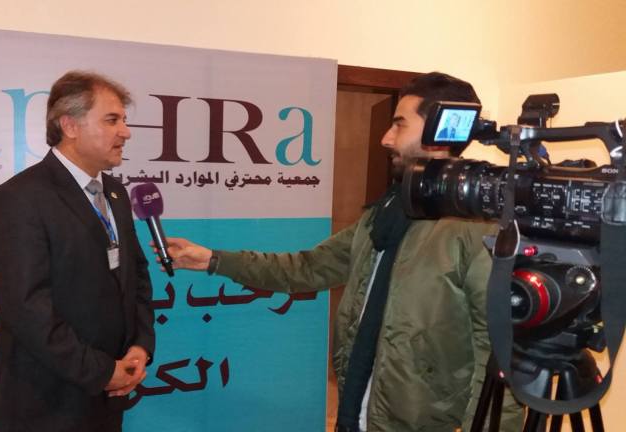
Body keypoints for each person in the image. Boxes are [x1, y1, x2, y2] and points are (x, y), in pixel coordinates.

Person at [161, 72, 523, 431]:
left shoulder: (479, 229)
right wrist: (213, 260)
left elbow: (498, 353)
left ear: (438, 133)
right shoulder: (384, 213)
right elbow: (308, 267)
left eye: (399, 124)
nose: (386, 138)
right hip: (357, 414)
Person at [0, 71, 155, 432]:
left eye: (124, 120)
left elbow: (135, 276)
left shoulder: (116, 194)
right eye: (112, 120)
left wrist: (140, 346)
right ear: (70, 125)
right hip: (45, 403)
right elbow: (26, 309)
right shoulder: (18, 199)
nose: (126, 132)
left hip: (107, 396)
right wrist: (101, 371)